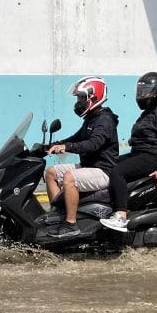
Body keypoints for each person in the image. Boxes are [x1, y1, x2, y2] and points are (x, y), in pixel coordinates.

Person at [100, 72, 157, 232]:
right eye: (141, 91)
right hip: (141, 153)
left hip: (151, 157)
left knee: (117, 172)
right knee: (107, 165)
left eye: (148, 91)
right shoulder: (150, 112)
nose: (143, 95)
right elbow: (149, 135)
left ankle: (121, 216)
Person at [44, 76, 119, 238]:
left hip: (103, 170)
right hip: (89, 167)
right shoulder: (92, 118)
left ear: (94, 97)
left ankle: (71, 224)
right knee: (51, 172)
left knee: (69, 178)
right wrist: (52, 145)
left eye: (81, 97)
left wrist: (66, 147)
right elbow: (77, 138)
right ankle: (58, 212)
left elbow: (93, 144)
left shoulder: (105, 120)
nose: (78, 101)